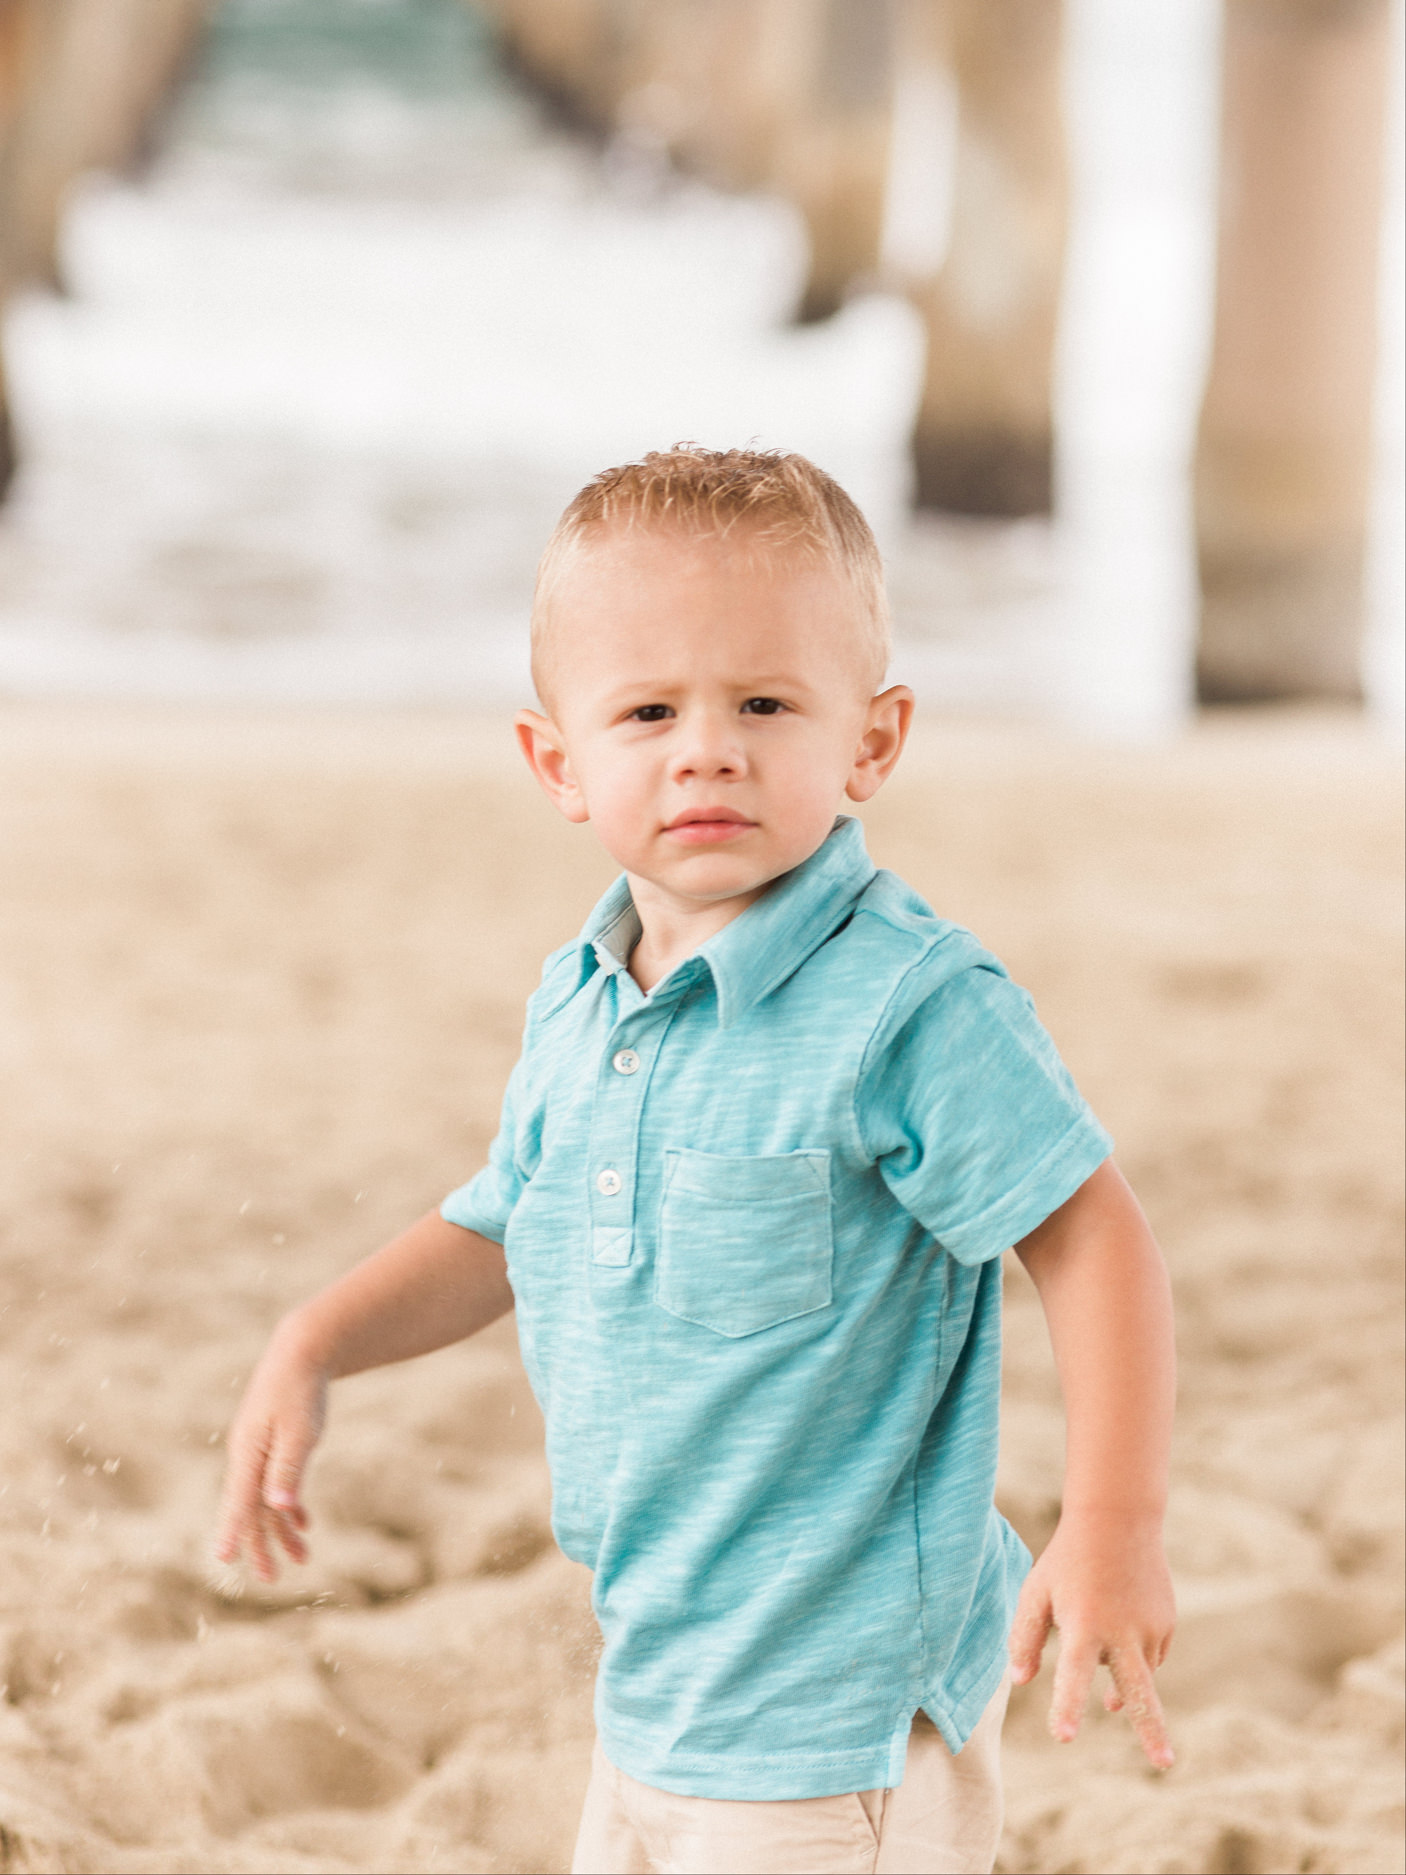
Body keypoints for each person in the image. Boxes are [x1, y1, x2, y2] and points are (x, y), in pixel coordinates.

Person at [215, 445, 1176, 1875]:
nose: (705, 748)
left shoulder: (907, 1004)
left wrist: (1107, 1527)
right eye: (649, 709)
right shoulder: (580, 997)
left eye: (765, 704)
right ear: (559, 761)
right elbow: (503, 1227)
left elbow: (1091, 1240)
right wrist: (315, 1341)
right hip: (658, 1683)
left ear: (871, 740)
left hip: (831, 1714)